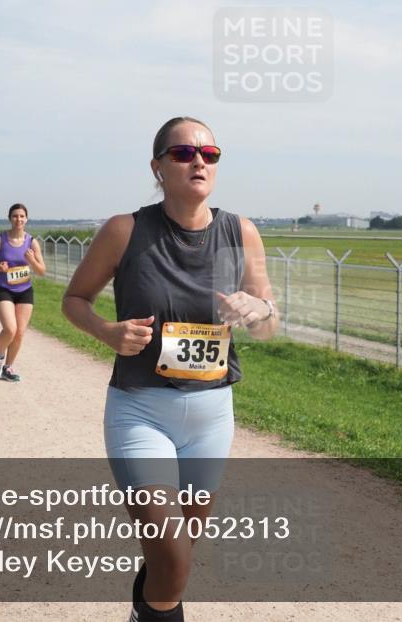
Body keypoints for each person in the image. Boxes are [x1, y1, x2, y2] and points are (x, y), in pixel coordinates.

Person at [62, 117, 278, 622]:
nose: (198, 160)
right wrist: (107, 332)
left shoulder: (240, 231)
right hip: (141, 413)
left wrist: (258, 310)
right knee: (174, 557)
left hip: (211, 417)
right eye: (183, 153)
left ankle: (145, 609)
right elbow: (75, 300)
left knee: (171, 556)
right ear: (158, 167)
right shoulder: (125, 230)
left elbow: (269, 321)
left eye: (210, 152)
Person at [0, 203, 46, 382]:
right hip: (3, 289)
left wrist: (32, 261)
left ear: (26, 219)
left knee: (19, 332)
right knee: (10, 329)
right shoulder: (0, 239)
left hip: (25, 290)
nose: (18, 219)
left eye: (21, 216)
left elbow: (41, 270)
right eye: (15, 216)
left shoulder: (32, 242)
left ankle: (8, 368)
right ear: (9, 218)